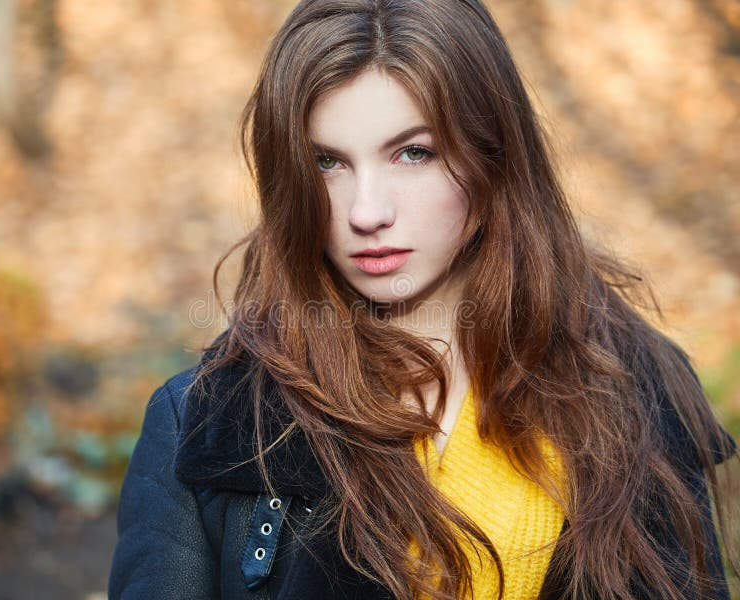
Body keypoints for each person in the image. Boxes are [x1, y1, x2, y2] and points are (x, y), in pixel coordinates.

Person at [107, 1, 738, 598]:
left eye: (413, 153)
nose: (366, 212)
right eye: (327, 162)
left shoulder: (636, 391)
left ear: (493, 156)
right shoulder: (207, 423)